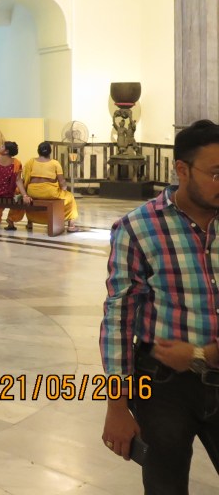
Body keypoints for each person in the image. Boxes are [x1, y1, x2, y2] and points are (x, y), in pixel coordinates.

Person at [100, 119, 219, 493]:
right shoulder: (138, 227)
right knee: (165, 484)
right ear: (182, 170)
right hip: (163, 383)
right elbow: (119, 316)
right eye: (217, 173)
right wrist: (117, 407)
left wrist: (203, 354)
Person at [22, 141, 79, 232]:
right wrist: (64, 189)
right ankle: (71, 225)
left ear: (38, 151)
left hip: (32, 192)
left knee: (32, 200)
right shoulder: (55, 163)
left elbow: (25, 179)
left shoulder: (31, 162)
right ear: (50, 151)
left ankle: (29, 223)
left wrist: (25, 193)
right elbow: (62, 181)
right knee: (70, 197)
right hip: (50, 193)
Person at [0, 141, 31, 230]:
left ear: (6, 151)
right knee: (19, 197)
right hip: (8, 193)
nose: (0, 146)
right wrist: (25, 195)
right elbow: (18, 180)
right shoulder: (16, 163)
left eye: (2, 146)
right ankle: (11, 219)